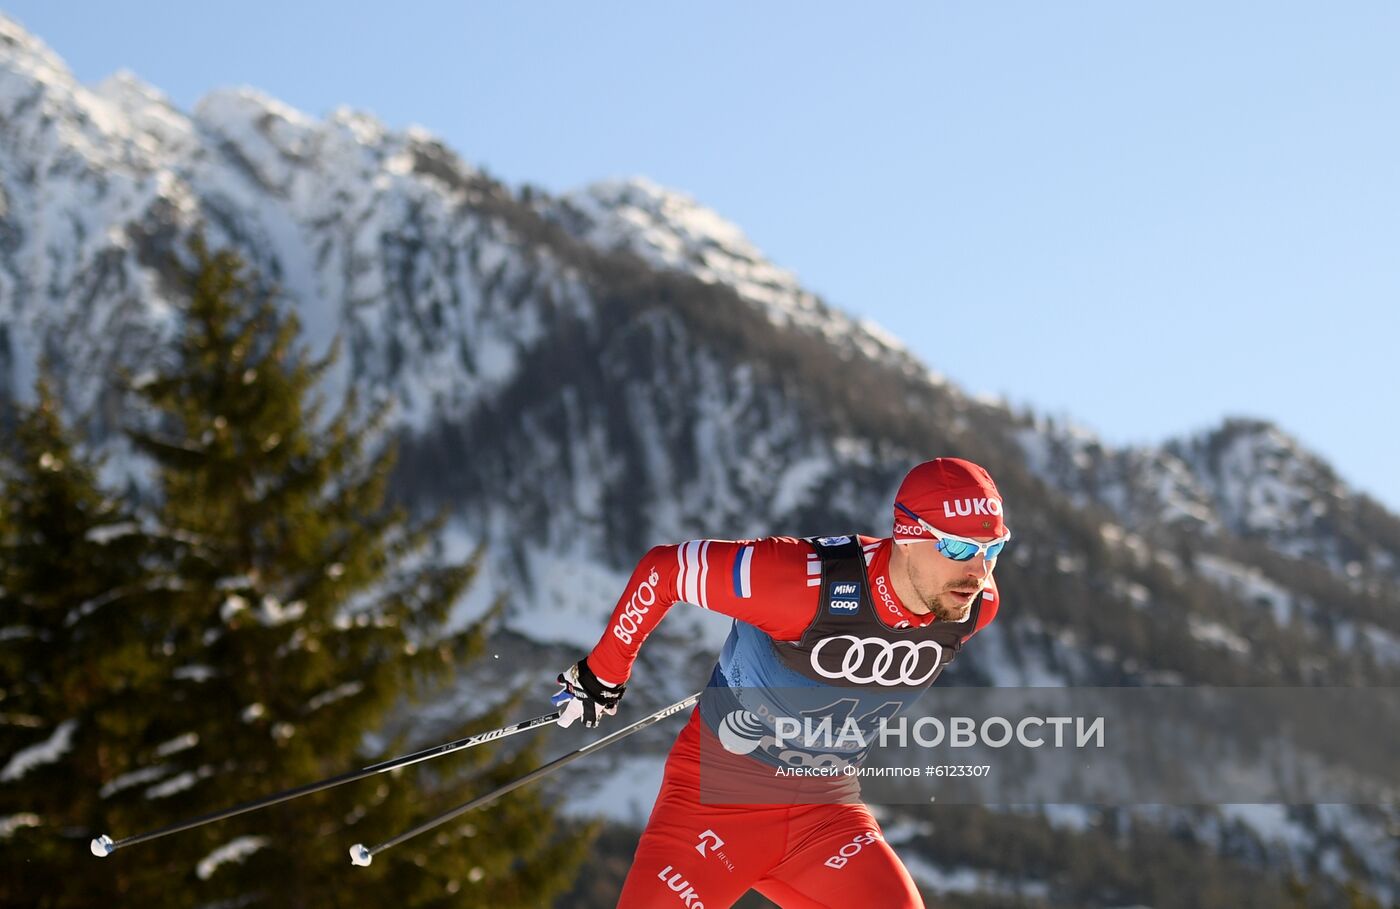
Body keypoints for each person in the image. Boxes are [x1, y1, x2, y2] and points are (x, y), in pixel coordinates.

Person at [553, 458, 1010, 908]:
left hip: (827, 820)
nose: (978, 570)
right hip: (714, 808)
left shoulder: (972, 607)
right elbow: (665, 569)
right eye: (959, 548)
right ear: (908, 536)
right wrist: (603, 675)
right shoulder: (802, 581)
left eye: (993, 550)